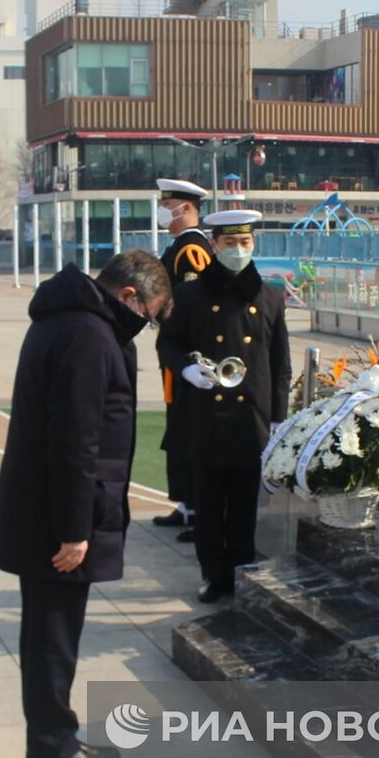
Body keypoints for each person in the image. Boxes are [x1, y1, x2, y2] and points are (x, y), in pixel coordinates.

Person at [0, 250, 171, 758]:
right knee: (52, 635)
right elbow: (77, 440)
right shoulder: (89, 336)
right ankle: (51, 749)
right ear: (129, 297)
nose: (147, 326)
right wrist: (75, 530)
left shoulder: (69, 320)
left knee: (51, 632)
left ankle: (55, 735)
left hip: (44, 501)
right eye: (151, 314)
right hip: (58, 514)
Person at [158, 210, 290, 603]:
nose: (237, 250)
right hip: (206, 415)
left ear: (254, 245)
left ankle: (241, 569)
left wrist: (279, 420)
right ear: (214, 245)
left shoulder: (269, 296)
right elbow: (168, 344)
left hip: (252, 418)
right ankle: (214, 575)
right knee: (211, 505)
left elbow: (280, 365)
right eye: (229, 243)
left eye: (244, 243)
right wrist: (186, 372)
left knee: (246, 507)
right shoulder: (190, 294)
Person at [152, 178, 213, 544]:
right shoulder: (178, 245)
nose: (163, 211)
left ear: (185, 208)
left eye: (168, 204)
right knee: (178, 430)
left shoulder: (192, 250)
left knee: (189, 432)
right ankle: (188, 504)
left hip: (189, 358)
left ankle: (199, 509)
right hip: (176, 356)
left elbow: (193, 306)